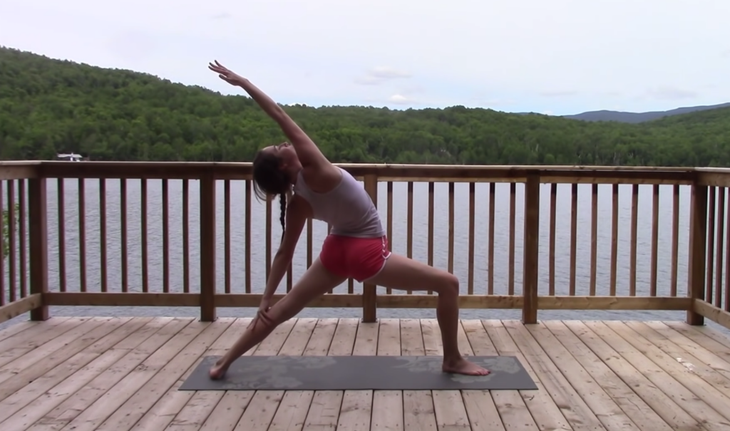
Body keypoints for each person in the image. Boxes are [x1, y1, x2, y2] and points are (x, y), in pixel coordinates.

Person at [206, 60, 490, 378]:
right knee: (448, 284)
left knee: (280, 310)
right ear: (283, 166)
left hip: (336, 252)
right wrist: (244, 82)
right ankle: (452, 358)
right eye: (278, 147)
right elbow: (279, 114)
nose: (284, 142)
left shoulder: (298, 201)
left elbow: (284, 253)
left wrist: (266, 297)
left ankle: (223, 363)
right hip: (365, 252)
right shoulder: (317, 169)